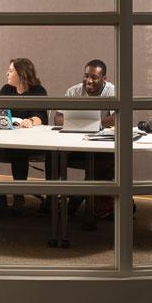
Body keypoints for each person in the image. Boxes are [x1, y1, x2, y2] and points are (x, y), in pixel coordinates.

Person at [55, 60, 116, 218]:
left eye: (94, 77)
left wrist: (91, 125)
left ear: (104, 78)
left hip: (100, 148)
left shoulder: (111, 91)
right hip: (75, 144)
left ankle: (77, 200)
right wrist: (93, 124)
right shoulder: (73, 91)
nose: (89, 80)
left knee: (104, 163)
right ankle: (53, 201)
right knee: (53, 155)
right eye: (86, 76)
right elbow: (58, 118)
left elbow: (118, 118)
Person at [0, 57, 48, 213]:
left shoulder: (38, 91)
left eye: (11, 71)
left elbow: (41, 117)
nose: (7, 73)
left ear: (21, 74)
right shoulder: (6, 90)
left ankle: (18, 193)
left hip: (27, 142)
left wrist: (30, 121)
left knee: (18, 151)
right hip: (5, 138)